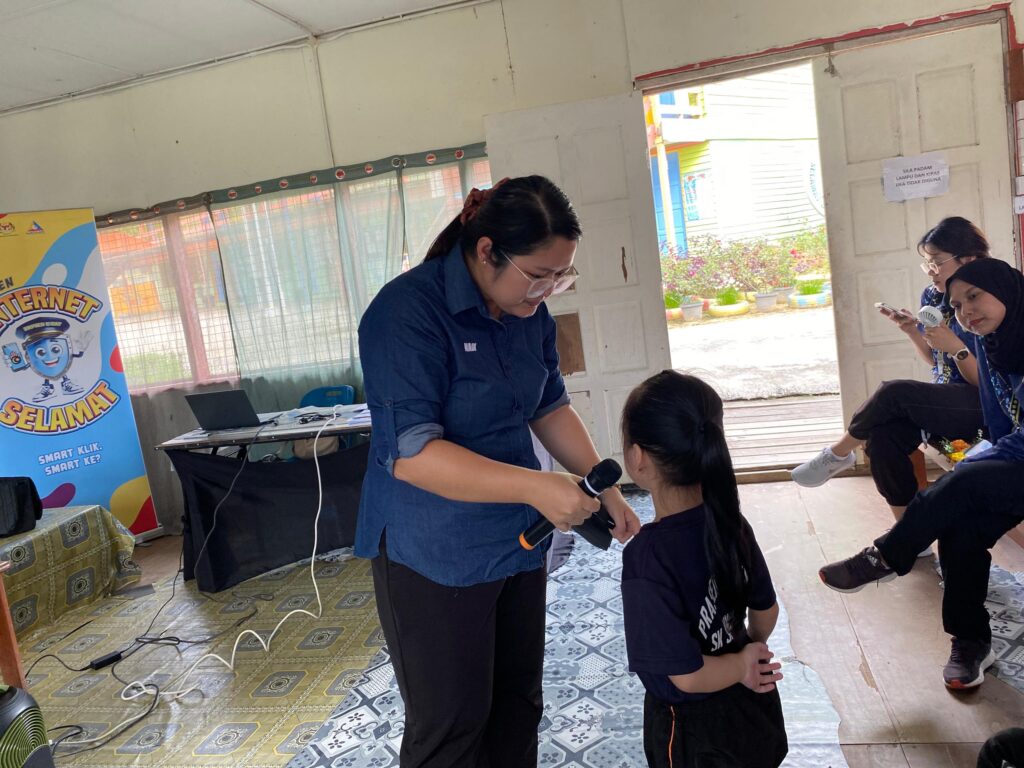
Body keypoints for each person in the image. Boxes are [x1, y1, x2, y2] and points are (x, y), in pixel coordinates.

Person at [355, 175, 641, 768]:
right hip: (433, 550)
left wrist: (603, 484)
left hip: (516, 541)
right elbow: (412, 453)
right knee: (452, 725)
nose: (547, 290)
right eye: (538, 275)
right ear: (487, 251)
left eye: (560, 276)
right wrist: (537, 486)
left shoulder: (526, 312)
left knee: (516, 707)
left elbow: (549, 405)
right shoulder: (407, 313)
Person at [819, 258, 1024, 690]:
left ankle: (888, 555)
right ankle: (970, 641)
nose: (966, 311)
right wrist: (988, 453)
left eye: (974, 296)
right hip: (1017, 463)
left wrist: (984, 462)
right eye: (958, 304)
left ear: (1005, 290)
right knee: (961, 525)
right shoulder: (990, 342)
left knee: (963, 482)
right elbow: (1000, 420)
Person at [619, 370, 787, 768]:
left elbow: (687, 677)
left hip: (693, 733)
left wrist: (740, 666)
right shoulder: (730, 521)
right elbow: (766, 611)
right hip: (753, 709)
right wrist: (744, 652)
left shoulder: (648, 557)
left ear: (638, 457)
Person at [791, 217, 988, 530]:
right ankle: (909, 533)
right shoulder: (933, 297)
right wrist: (912, 331)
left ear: (969, 259)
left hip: (985, 405)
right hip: (948, 400)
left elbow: (988, 384)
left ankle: (838, 453)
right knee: (882, 439)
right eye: (927, 263)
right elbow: (936, 361)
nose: (931, 271)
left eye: (937, 262)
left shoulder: (990, 298)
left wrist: (957, 348)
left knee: (894, 392)